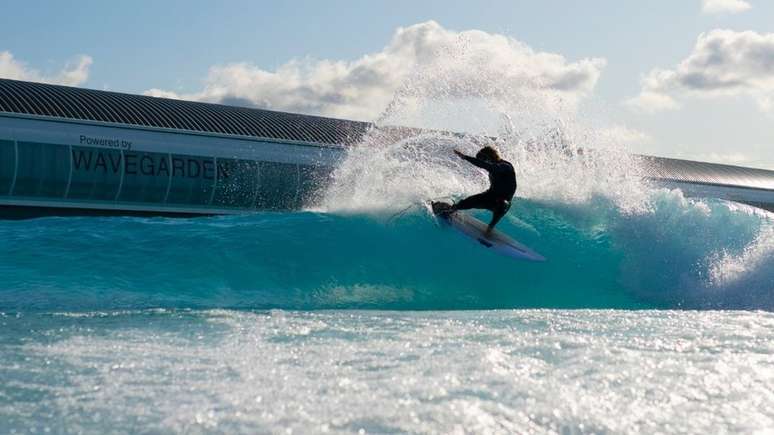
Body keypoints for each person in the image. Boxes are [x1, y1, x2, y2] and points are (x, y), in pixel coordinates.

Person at [448, 146, 517, 236]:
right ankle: (451, 209)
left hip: (503, 202)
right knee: (466, 202)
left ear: (489, 157)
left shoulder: (505, 166)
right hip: (490, 197)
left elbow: (488, 166)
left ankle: (490, 228)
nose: (483, 163)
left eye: (483, 160)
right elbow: (487, 166)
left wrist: (465, 157)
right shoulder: (492, 167)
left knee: (502, 205)